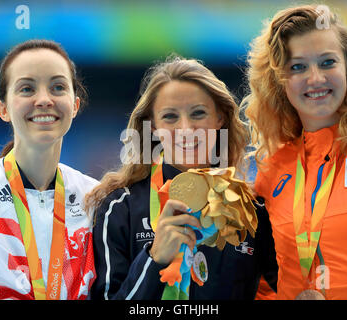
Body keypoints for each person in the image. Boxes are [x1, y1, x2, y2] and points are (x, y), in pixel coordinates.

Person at [87, 55, 278, 300]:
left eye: (198, 113)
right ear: (152, 125)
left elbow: (288, 286)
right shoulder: (119, 207)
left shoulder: (252, 211)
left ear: (220, 118)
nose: (186, 129)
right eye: (170, 117)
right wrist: (154, 258)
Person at [243, 4, 347, 300]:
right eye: (298, 67)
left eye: (327, 62)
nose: (315, 78)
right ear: (279, 80)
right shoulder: (272, 170)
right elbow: (262, 281)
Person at [0, 39, 98, 300]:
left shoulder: (96, 200)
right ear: (3, 109)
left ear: (75, 105)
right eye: (27, 89)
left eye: (58, 87)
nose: (43, 100)